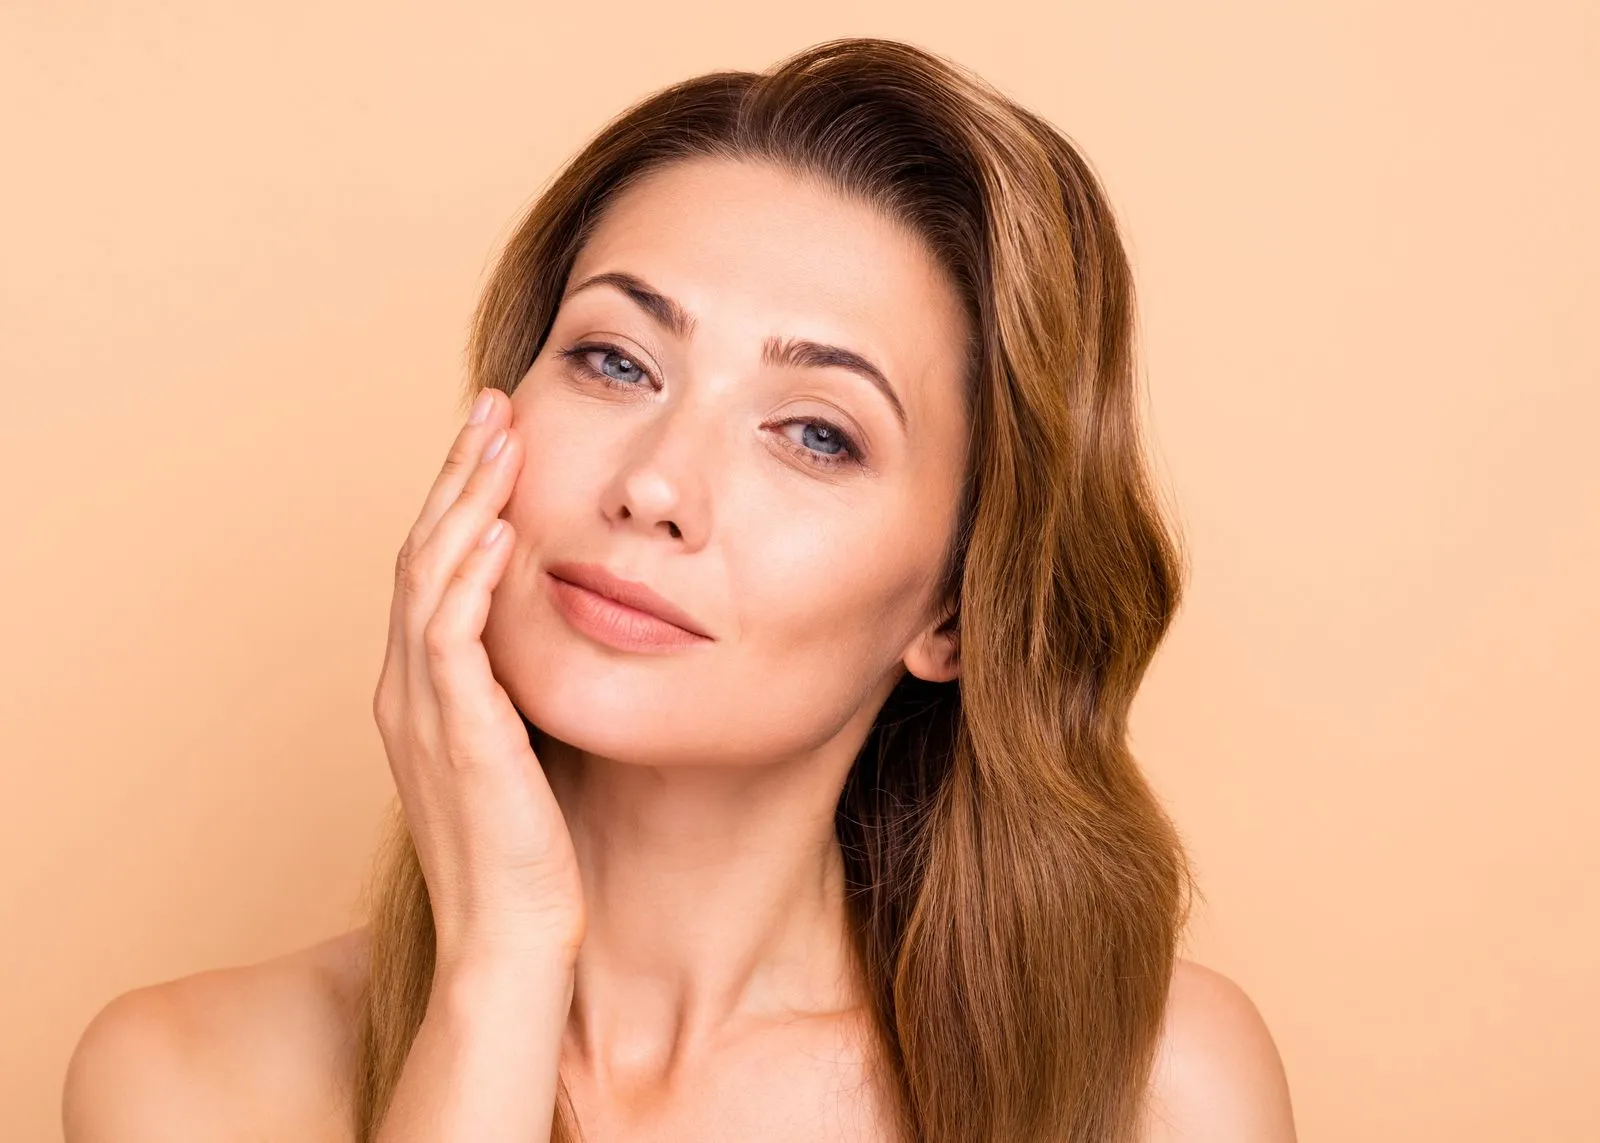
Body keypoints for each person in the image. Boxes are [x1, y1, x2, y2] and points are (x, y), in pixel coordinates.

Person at [61, 36, 1296, 1143]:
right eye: (613, 360)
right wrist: (501, 960)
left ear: (954, 612)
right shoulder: (191, 1083)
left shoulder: (1159, 1090)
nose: (655, 486)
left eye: (816, 434)